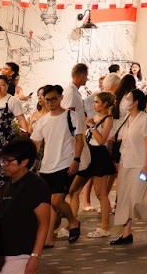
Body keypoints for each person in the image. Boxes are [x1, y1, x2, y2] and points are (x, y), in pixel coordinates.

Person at [0, 138, 50, 274]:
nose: (4, 165)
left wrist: (35, 256)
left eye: (9, 161)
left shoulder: (36, 185)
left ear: (24, 162)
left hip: (21, 256)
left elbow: (43, 224)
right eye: (3, 161)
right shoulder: (5, 187)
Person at [29, 85, 85, 245]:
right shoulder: (42, 121)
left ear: (61, 98)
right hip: (46, 167)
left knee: (56, 200)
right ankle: (48, 239)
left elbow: (79, 140)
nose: (50, 102)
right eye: (47, 100)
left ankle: (73, 221)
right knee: (49, 203)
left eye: (53, 99)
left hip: (66, 164)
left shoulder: (71, 116)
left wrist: (76, 160)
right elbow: (35, 144)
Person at [108, 89, 147, 245]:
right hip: (125, 164)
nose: (125, 101)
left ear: (136, 102)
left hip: (141, 165)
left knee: (137, 198)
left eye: (129, 98)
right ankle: (126, 233)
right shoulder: (126, 118)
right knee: (124, 197)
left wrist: (146, 165)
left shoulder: (146, 119)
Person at [72, 90, 117, 238]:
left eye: (97, 102)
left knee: (100, 193)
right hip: (88, 155)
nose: (94, 105)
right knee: (73, 190)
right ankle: (72, 223)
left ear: (105, 104)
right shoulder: (93, 118)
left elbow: (102, 140)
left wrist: (92, 126)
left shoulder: (108, 119)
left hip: (99, 155)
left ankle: (105, 227)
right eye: (94, 102)